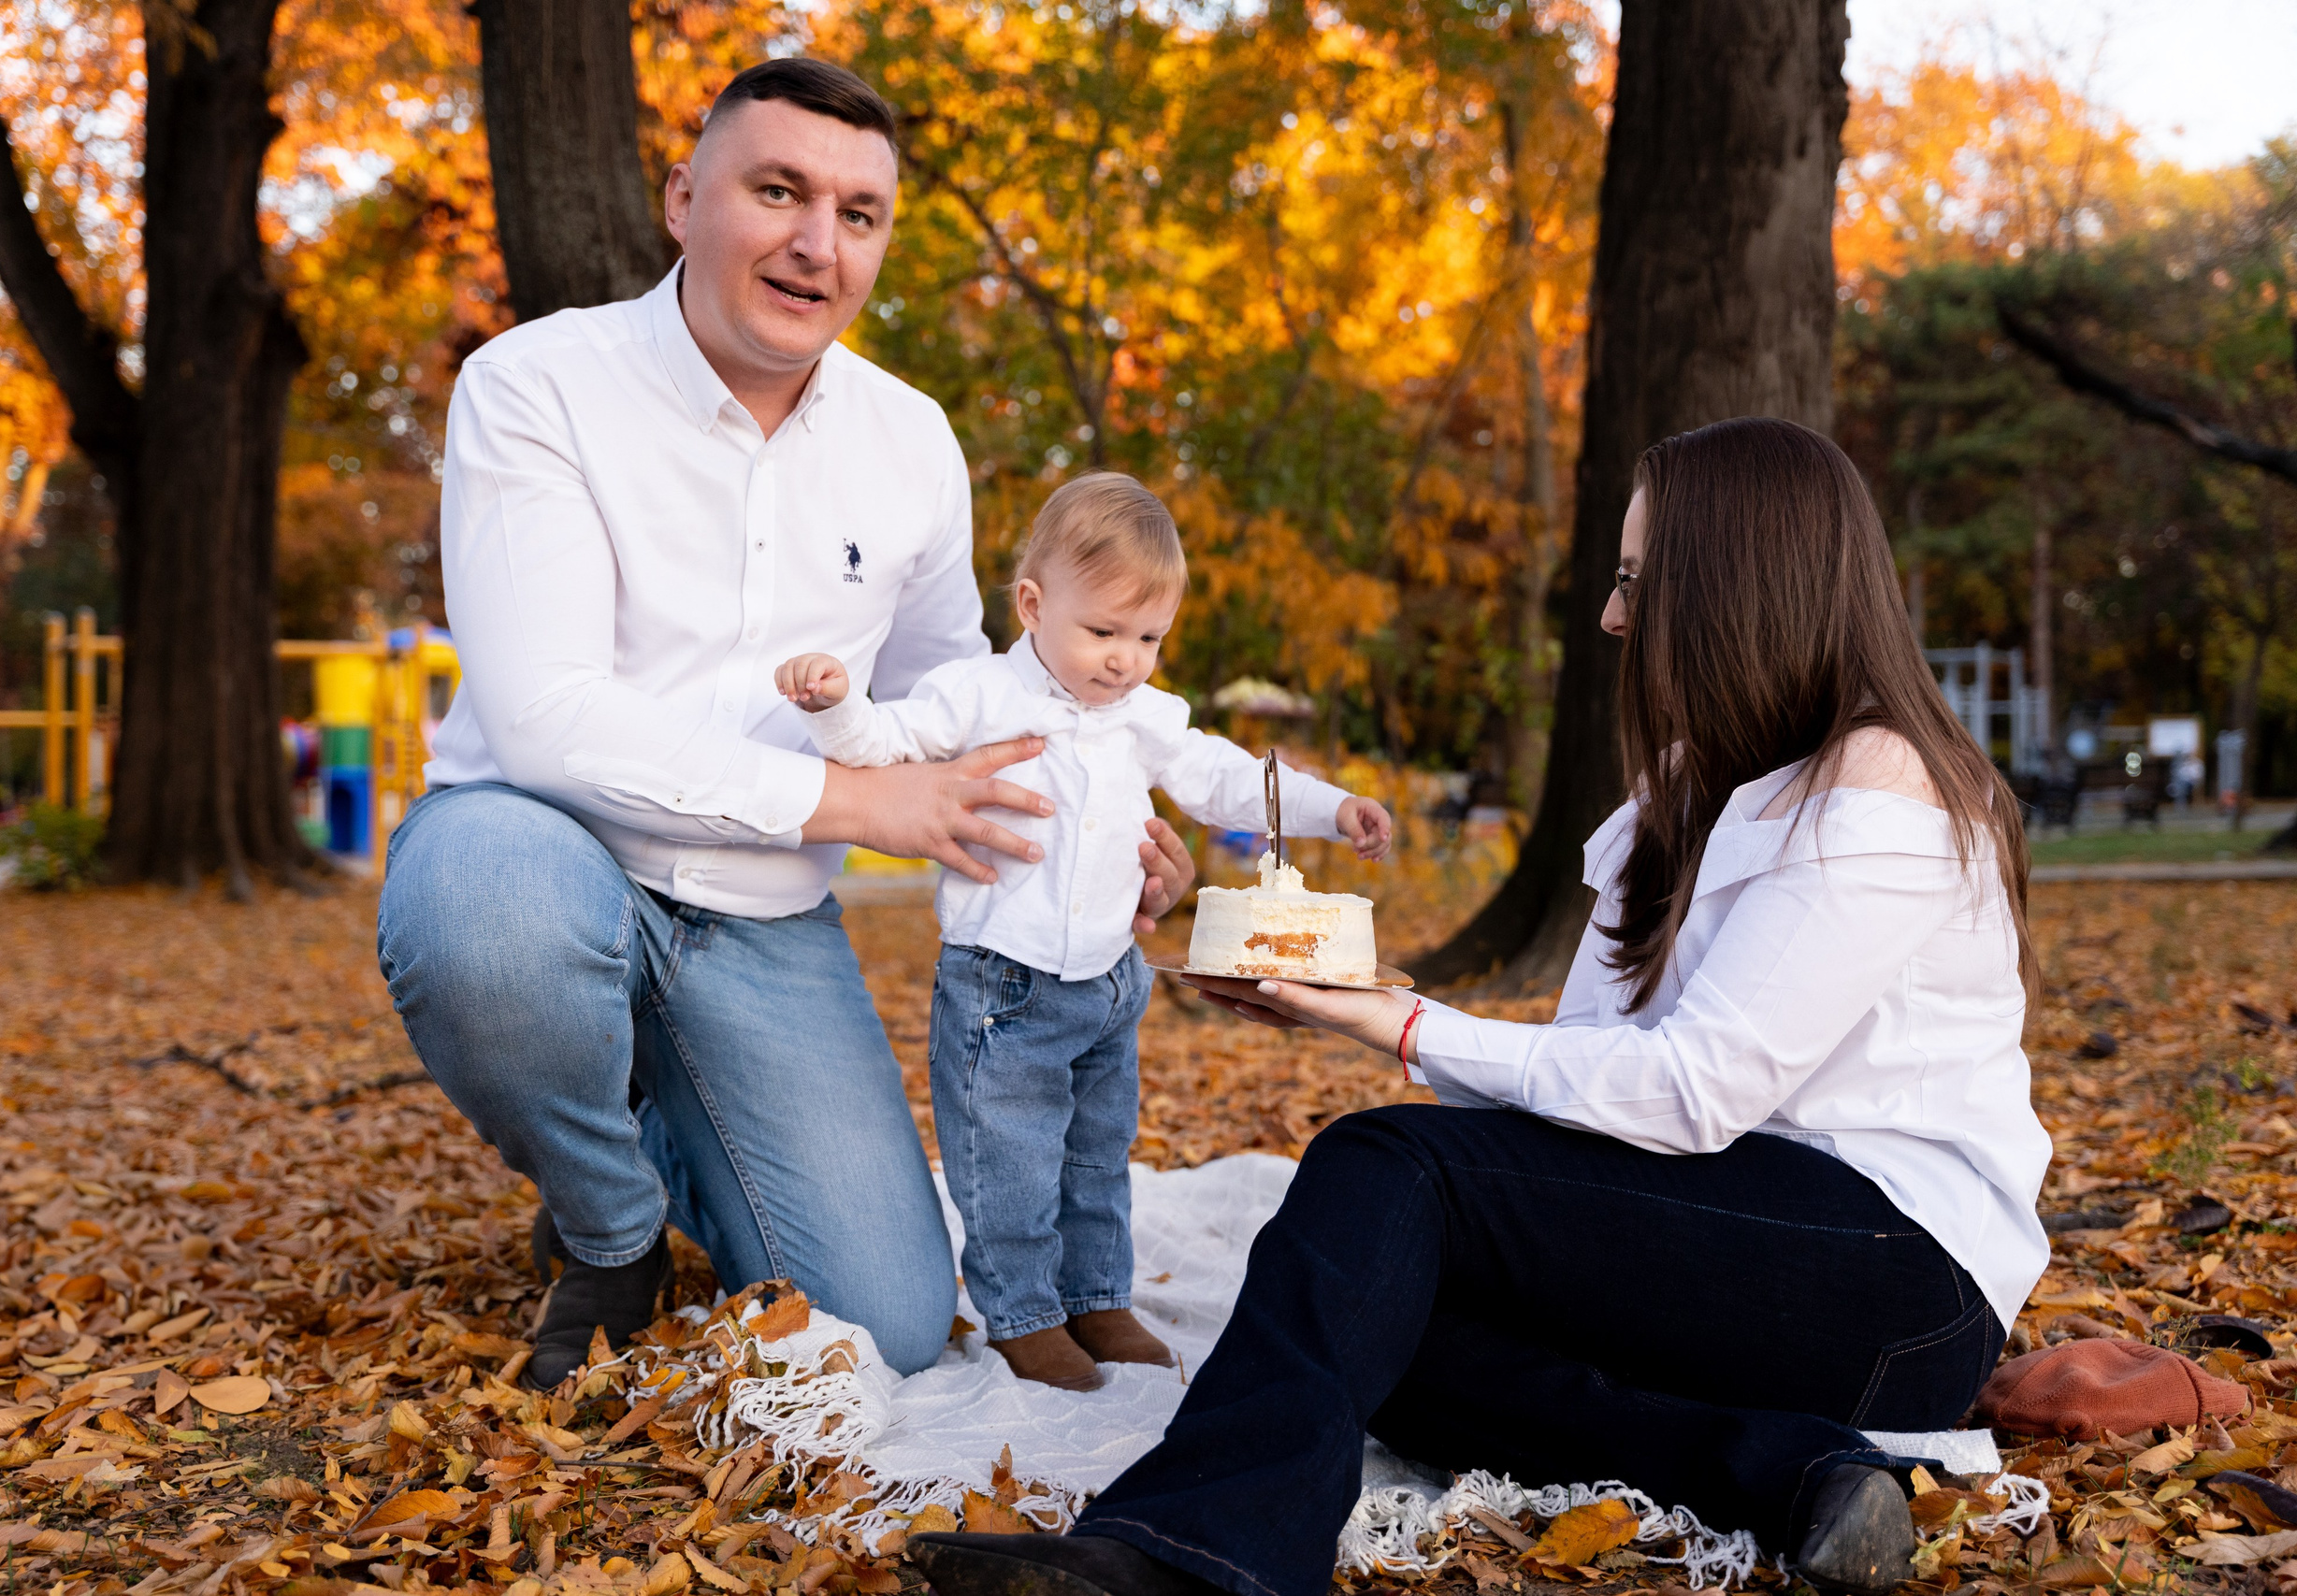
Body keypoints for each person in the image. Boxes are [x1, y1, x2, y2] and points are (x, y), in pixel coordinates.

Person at [908, 417, 2051, 1596]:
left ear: (1732, 580)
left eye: (1632, 580)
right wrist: (1351, 999)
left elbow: (1696, 1090)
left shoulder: (1881, 786)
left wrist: (1397, 1032)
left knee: (1384, 1169)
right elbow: (1592, 1072)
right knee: (1380, 1322)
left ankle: (1193, 1557)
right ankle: (1791, 1468)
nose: (1612, 615)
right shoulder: (1689, 782)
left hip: (1889, 1275)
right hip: (1723, 1231)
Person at [375, 58, 1197, 1391]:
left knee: (889, 1316)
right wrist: (860, 807)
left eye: (860, 214)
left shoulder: (911, 439)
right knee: (488, 916)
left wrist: (1099, 822)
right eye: (779, 191)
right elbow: (544, 716)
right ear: (685, 198)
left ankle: (654, 1116)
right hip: (549, 853)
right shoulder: (538, 384)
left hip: (761, 923)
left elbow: (960, 703)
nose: (819, 243)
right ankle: (609, 1223)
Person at [775, 472, 1394, 1392]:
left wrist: (1332, 806)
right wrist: (835, 706)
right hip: (1005, 989)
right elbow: (887, 745)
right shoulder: (977, 696)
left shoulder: (1146, 715)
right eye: (1102, 632)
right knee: (1011, 1163)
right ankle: (1025, 1314)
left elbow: (1227, 779)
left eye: (1147, 638)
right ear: (1032, 604)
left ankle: (1097, 1295)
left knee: (1098, 1157)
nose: (1124, 659)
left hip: (1108, 980)